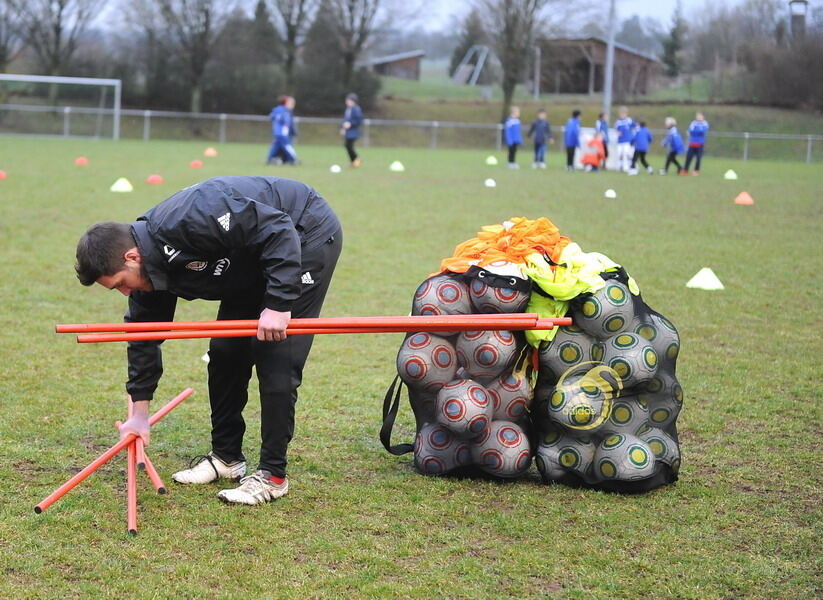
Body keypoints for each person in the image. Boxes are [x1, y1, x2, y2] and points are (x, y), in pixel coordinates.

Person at [74, 176, 342, 505]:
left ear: (132, 257)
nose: (125, 292)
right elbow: (144, 336)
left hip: (302, 229)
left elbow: (277, 227)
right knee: (226, 351)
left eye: (120, 284)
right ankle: (226, 458)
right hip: (250, 256)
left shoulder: (190, 218)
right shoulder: (148, 267)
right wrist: (139, 415)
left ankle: (272, 475)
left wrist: (278, 303)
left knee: (275, 354)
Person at [266, 96, 299, 165]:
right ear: (286, 103)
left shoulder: (278, 110)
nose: (292, 105)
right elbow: (286, 122)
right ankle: (294, 160)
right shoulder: (284, 111)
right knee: (287, 146)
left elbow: (271, 117)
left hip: (277, 132)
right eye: (291, 103)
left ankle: (270, 159)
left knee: (275, 146)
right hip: (282, 133)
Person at [340, 93, 363, 167]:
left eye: (348, 100)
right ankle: (354, 161)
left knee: (348, 145)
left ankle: (356, 159)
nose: (346, 101)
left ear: (353, 101)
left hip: (353, 132)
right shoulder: (349, 109)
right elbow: (346, 120)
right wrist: (343, 128)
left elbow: (358, 120)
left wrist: (350, 124)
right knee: (348, 145)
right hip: (349, 131)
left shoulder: (356, 108)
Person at [614, 106, 636, 172]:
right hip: (620, 141)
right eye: (621, 114)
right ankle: (620, 166)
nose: (622, 115)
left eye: (623, 114)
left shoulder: (629, 120)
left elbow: (635, 126)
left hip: (627, 140)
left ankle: (626, 167)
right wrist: (618, 133)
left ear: (626, 114)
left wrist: (633, 136)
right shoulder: (618, 121)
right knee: (619, 153)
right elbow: (616, 130)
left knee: (626, 153)